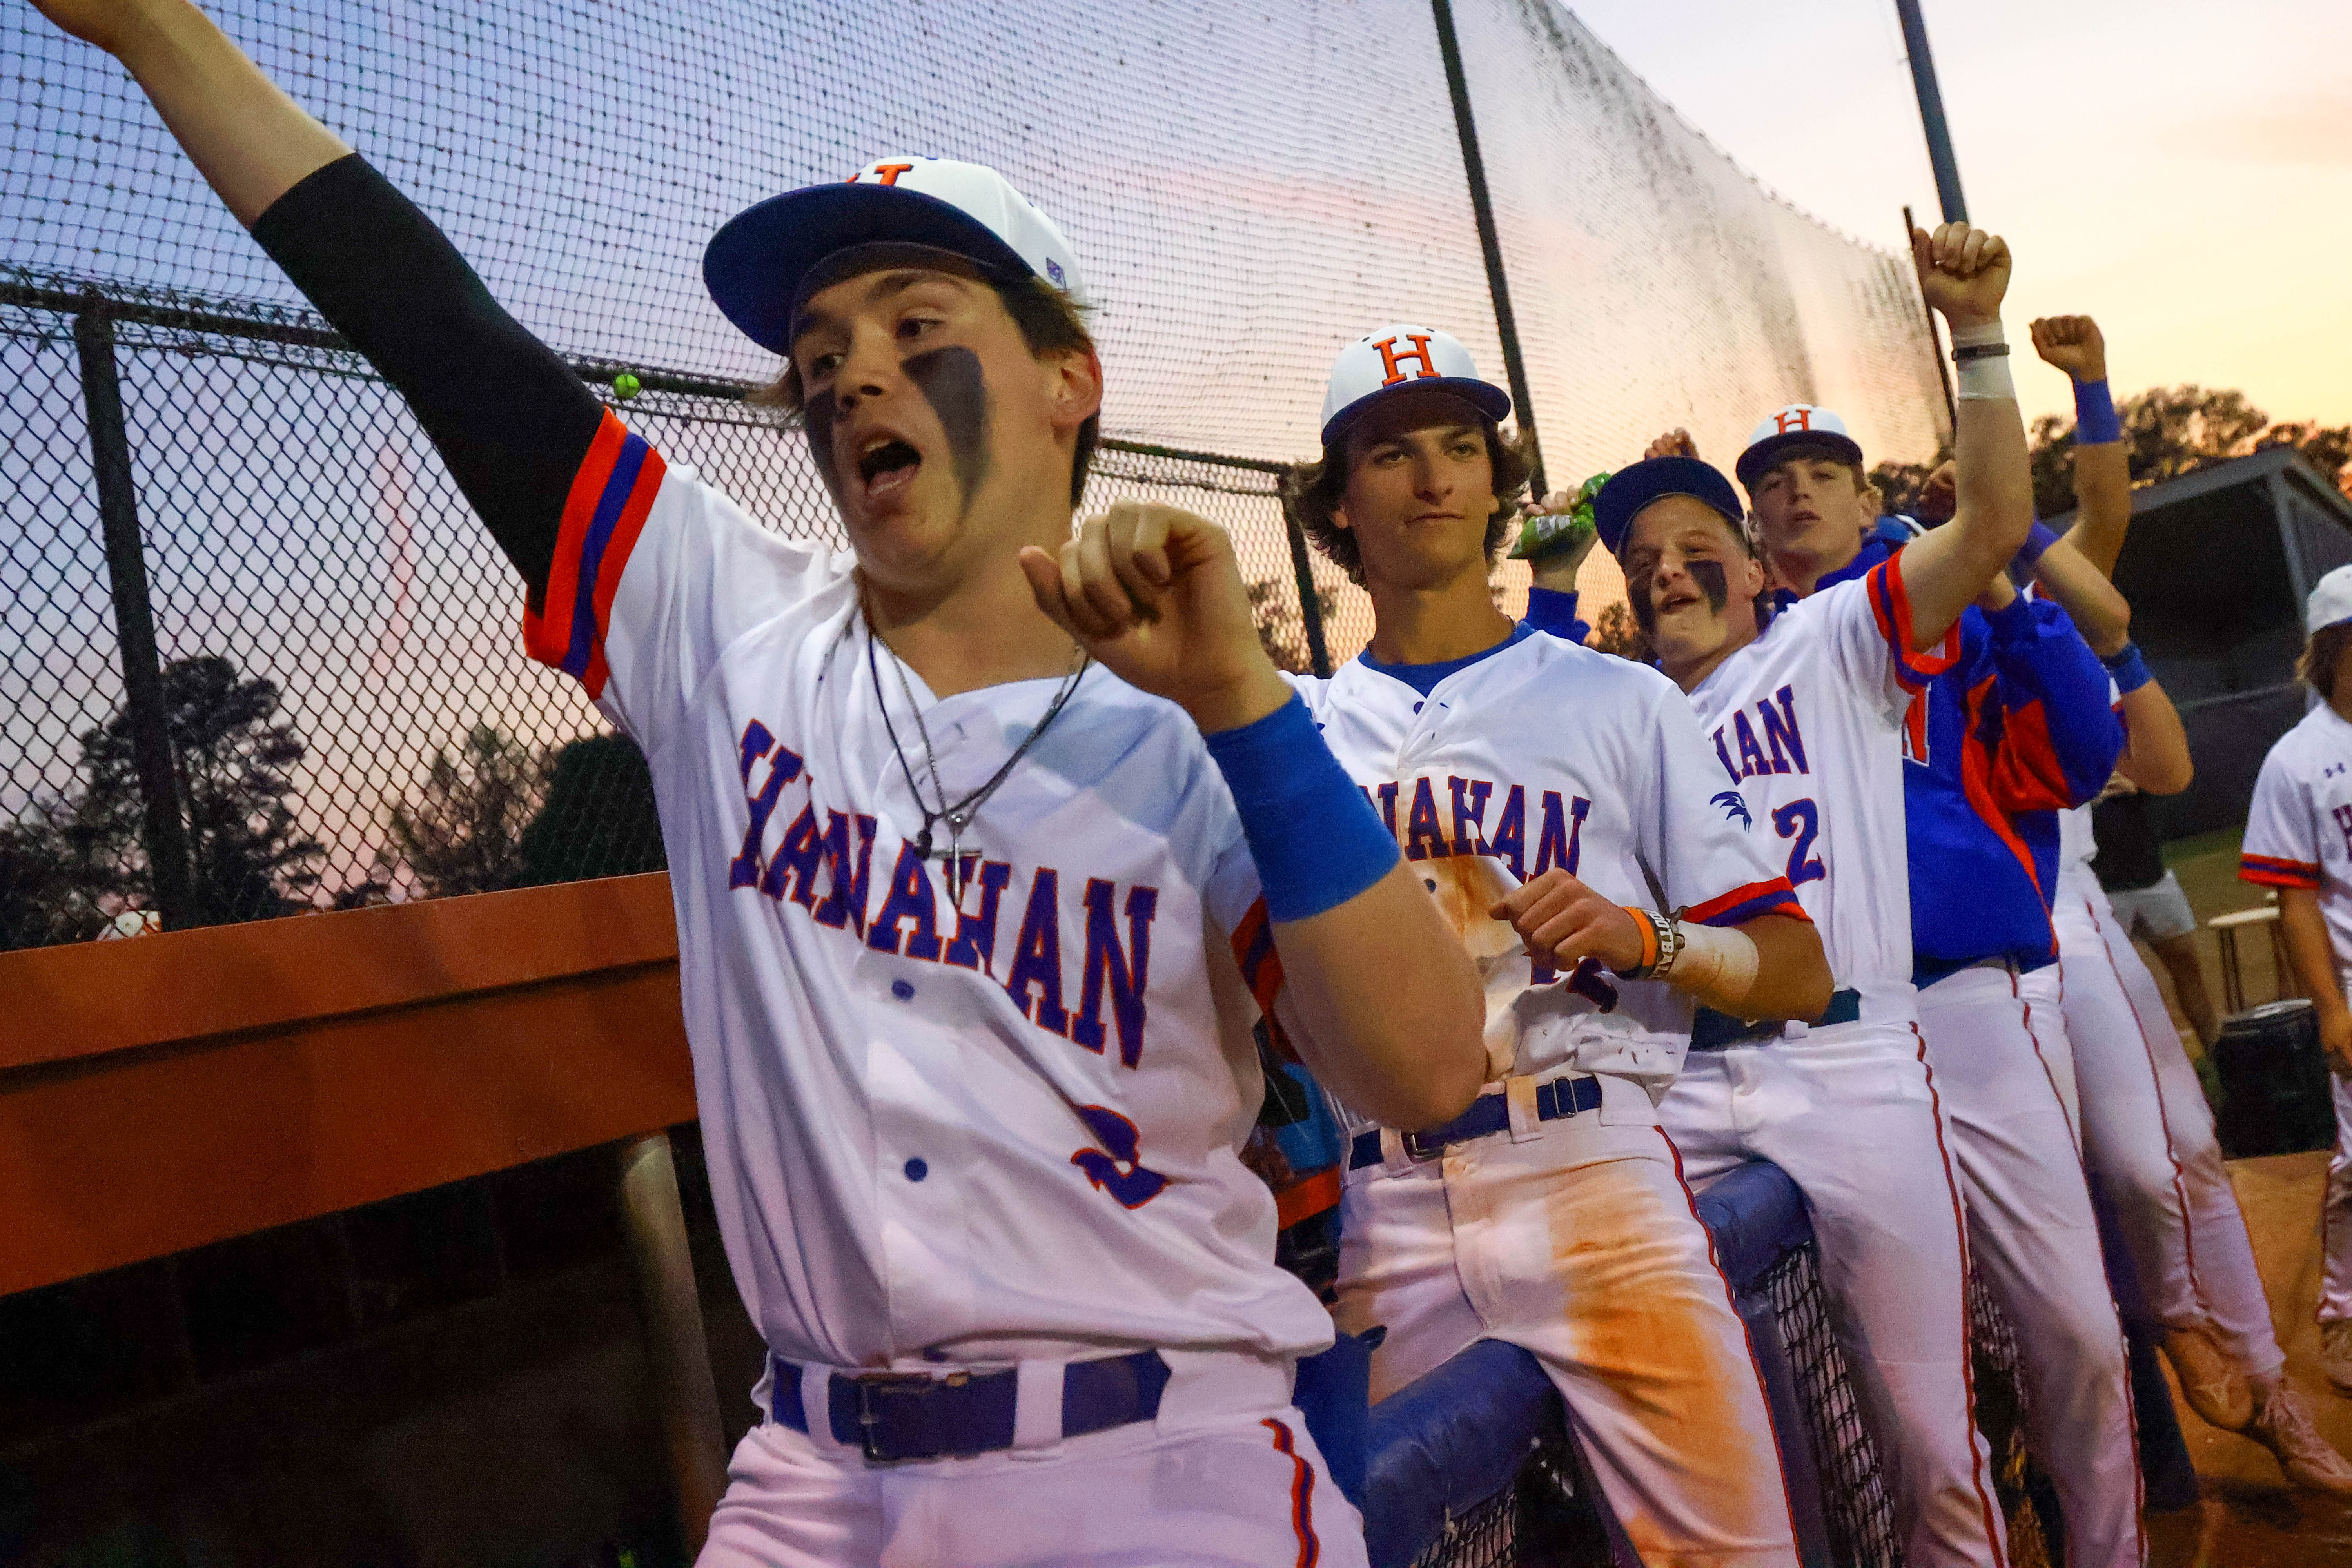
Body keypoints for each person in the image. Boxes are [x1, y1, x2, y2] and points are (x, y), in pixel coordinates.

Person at [30, 2, 1500, 1562]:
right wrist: (158, 34)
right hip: (809, 1476)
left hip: (1155, 1462)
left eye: (916, 324)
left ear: (1069, 377)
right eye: (820, 353)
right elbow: (435, 329)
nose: (854, 373)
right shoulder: (716, 620)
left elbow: (1420, 1071)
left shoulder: (1204, 725)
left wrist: (1243, 705)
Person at [1279, 323, 1831, 1567]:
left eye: (1462, 448)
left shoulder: (1617, 697)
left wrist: (1649, 936)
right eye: (1390, 452)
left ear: (1496, 484)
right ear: (1338, 503)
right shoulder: (1301, 727)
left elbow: (1796, 969)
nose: (1431, 479)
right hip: (1390, 1204)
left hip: (1595, 1171)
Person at [1517, 217, 2020, 1568]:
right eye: (1640, 561)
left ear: (1751, 560)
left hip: (1849, 1060)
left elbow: (1995, 528)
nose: (1663, 570)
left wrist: (1976, 342)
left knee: (1927, 1443)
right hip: (1680, 1083)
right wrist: (1552, 575)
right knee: (1753, 1448)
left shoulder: (1834, 639)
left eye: (1692, 547)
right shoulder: (1619, 715)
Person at [1729, 357, 2144, 1555]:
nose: (1797, 491)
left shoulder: (1945, 615)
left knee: (2073, 1329)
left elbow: (2073, 759)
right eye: (1773, 482)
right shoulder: (1720, 671)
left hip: (1966, 1007)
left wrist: (2006, 591)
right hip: (1819, 1044)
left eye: (1824, 473)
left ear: (1870, 505)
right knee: (1889, 1394)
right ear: (1751, 524)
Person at [2027, 315, 2351, 1488]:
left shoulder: (2013, 617)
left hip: (2060, 915)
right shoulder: (1847, 638)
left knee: (2166, 1165)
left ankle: (2256, 1376)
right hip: (1924, 981)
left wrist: (2096, 394)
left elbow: (2100, 528)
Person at [2240, 563, 2352, 1402]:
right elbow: (2296, 897)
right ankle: (2345, 1313)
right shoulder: (2299, 761)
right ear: (2330, 650)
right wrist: (2332, 1006)